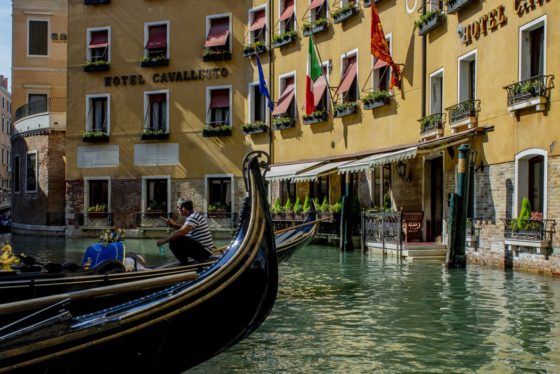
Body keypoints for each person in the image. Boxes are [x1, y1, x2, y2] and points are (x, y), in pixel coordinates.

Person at [157, 198, 215, 265]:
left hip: (204, 252)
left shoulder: (193, 217)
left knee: (175, 241)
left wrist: (164, 241)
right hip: (203, 250)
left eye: (178, 208)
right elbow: (185, 229)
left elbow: (181, 232)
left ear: (183, 208)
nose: (178, 210)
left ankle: (184, 264)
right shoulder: (193, 216)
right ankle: (184, 262)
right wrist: (173, 224)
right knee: (177, 238)